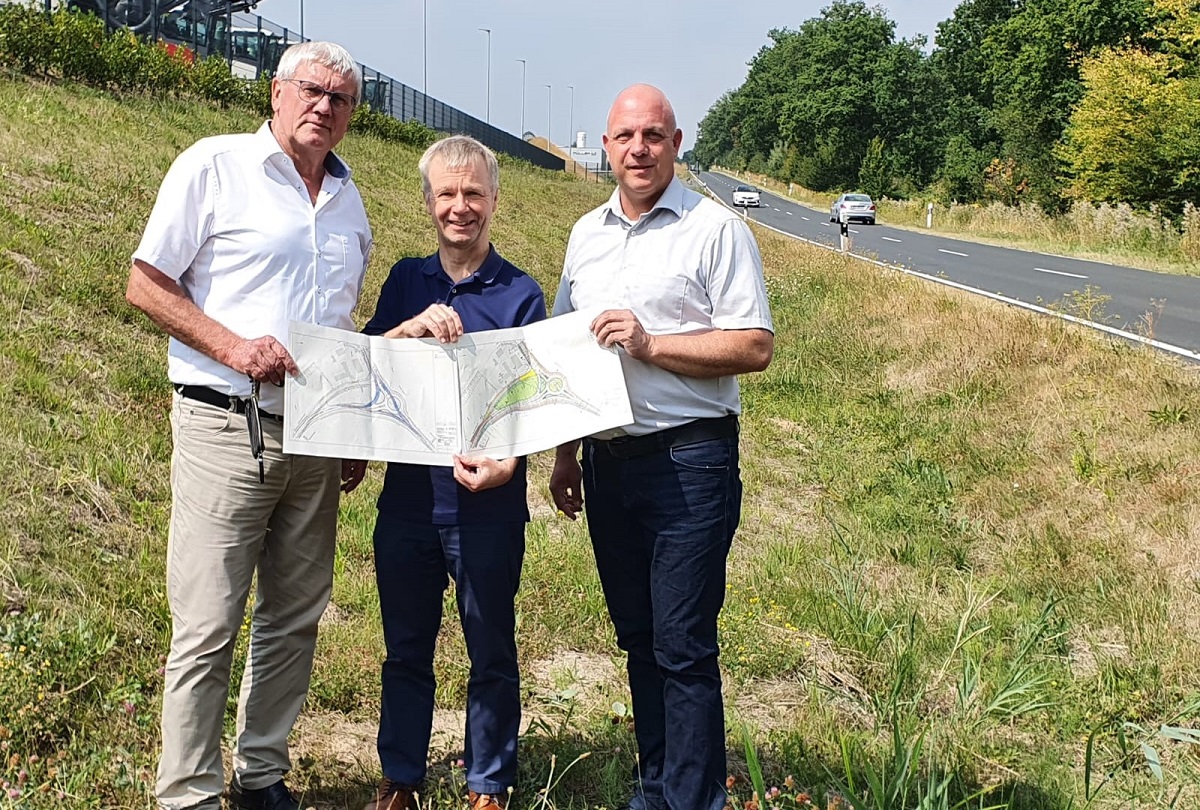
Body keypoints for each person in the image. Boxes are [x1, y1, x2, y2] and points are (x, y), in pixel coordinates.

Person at [124, 41, 372, 810]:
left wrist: (350, 431)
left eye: (340, 99)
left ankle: (260, 773)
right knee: (208, 620)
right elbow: (144, 282)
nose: (324, 107)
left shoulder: (349, 198)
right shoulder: (215, 166)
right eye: (311, 90)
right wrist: (231, 346)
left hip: (313, 434)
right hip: (226, 423)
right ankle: (188, 792)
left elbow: (339, 326)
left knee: (295, 615)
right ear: (276, 92)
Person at [549, 84, 774, 810]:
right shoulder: (586, 236)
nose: (638, 149)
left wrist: (650, 344)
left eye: (654, 135)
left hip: (689, 462)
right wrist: (562, 455)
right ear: (605, 147)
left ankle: (694, 799)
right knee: (639, 637)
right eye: (624, 136)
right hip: (607, 464)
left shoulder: (715, 230)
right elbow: (564, 354)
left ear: (677, 144)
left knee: (682, 642)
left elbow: (753, 345)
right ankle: (659, 789)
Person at [361, 135, 546, 810]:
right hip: (409, 501)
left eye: (473, 193)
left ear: (495, 200)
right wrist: (407, 330)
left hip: (487, 508)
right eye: (447, 193)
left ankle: (488, 783)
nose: (459, 207)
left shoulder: (521, 294)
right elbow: (364, 366)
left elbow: (533, 402)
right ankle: (401, 778)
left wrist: (511, 466)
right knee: (405, 649)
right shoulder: (407, 279)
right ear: (429, 201)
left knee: (490, 650)